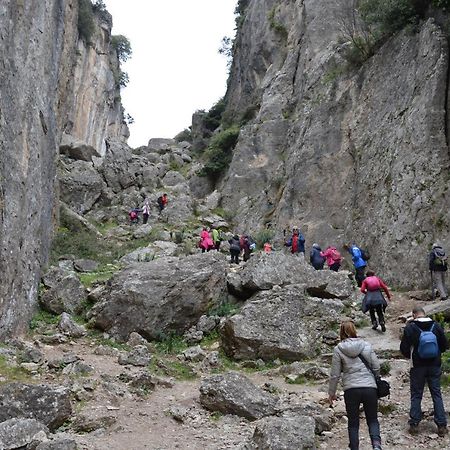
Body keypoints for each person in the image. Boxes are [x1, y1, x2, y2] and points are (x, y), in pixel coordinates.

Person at [328, 320, 382, 450]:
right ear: (354, 330)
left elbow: (335, 374)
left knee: (353, 423)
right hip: (369, 387)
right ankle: (376, 445)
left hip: (351, 389)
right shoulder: (366, 345)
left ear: (341, 332)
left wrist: (331, 393)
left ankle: (354, 447)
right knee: (373, 419)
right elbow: (376, 366)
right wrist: (376, 379)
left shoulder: (338, 349)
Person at [400, 306, 448, 437]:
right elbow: (444, 345)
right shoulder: (436, 326)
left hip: (417, 366)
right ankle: (442, 424)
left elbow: (403, 348)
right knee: (436, 394)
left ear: (414, 314)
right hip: (434, 365)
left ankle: (415, 424)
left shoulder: (410, 328)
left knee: (416, 394)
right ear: (424, 313)